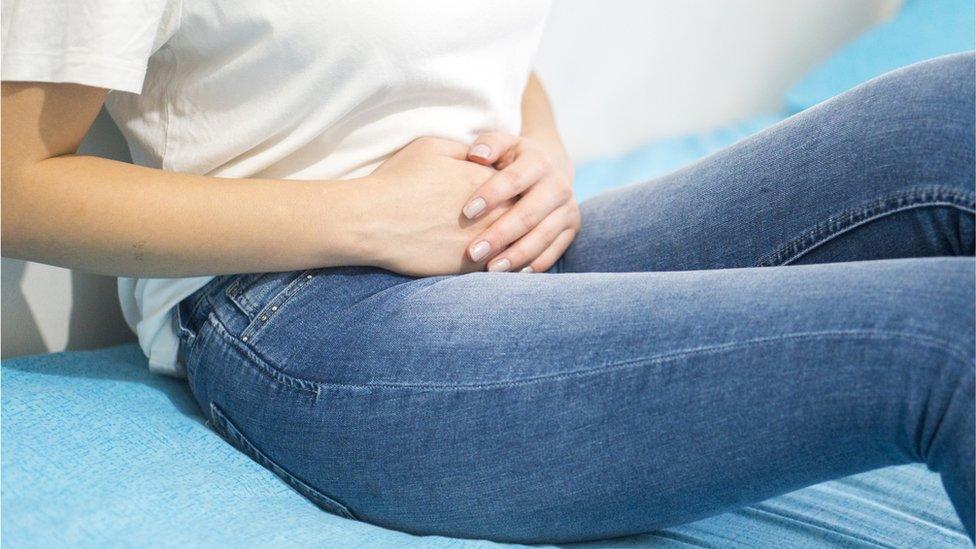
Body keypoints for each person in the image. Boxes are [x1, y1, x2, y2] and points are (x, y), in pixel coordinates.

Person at [2, 1, 973, 544]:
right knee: (951, 337)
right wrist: (365, 217)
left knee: (956, 107)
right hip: (301, 308)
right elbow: (12, 184)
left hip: (496, 246)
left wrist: (541, 154)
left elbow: (469, 55)